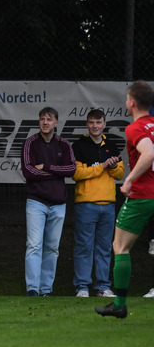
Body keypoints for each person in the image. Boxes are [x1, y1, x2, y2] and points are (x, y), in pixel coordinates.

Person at [97, 81, 154, 318]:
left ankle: (119, 304)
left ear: (131, 102)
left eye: (127, 98)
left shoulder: (135, 128)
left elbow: (149, 152)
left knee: (120, 247)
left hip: (143, 195)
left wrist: (129, 179)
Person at [20, 106, 76, 296]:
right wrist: (54, 173)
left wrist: (46, 167)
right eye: (42, 119)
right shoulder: (30, 143)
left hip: (59, 203)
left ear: (56, 122)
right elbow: (28, 172)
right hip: (36, 202)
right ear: (39, 122)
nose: (45, 122)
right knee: (34, 244)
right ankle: (33, 289)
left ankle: (46, 289)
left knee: (52, 248)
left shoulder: (64, 144)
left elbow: (71, 169)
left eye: (49, 119)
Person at [71, 108, 123, 298]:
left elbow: (120, 173)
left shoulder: (112, 145)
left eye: (98, 122)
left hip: (108, 204)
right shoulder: (78, 146)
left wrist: (113, 165)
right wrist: (102, 166)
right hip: (86, 203)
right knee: (84, 246)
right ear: (87, 124)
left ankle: (103, 287)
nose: (95, 126)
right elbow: (76, 173)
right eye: (92, 122)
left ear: (104, 124)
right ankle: (82, 287)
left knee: (104, 248)